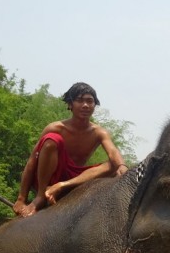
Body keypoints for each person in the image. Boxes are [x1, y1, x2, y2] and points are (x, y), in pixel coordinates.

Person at [13, 82, 129, 217]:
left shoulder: (99, 132)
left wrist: (122, 166)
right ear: (70, 104)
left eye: (90, 101)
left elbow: (113, 152)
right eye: (80, 100)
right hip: (48, 179)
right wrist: (21, 199)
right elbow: (32, 162)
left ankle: (61, 186)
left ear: (94, 106)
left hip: (74, 181)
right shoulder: (55, 127)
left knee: (113, 164)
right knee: (52, 139)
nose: (85, 105)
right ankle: (40, 196)